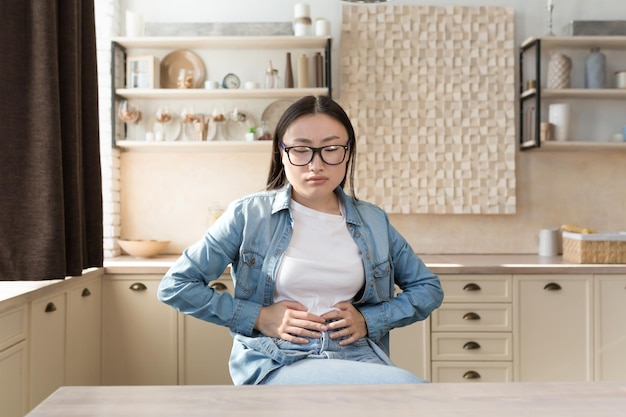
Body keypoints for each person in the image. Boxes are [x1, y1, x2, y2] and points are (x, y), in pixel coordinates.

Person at [157, 95, 443, 385]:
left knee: (411, 396)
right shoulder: (249, 214)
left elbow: (428, 289)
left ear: (348, 152)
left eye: (331, 149)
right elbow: (175, 286)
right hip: (277, 360)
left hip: (358, 358)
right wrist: (258, 317)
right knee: (410, 390)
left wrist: (370, 320)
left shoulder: (373, 221)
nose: (316, 165)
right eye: (301, 150)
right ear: (282, 154)